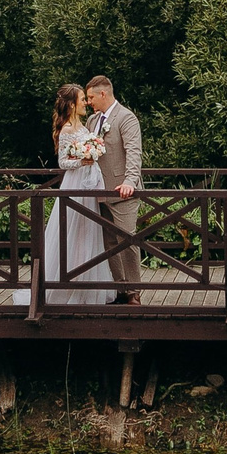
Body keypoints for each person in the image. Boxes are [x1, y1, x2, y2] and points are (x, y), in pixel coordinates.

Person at [13, 83, 117, 306]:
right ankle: (65, 287)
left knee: (88, 232)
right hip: (75, 183)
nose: (85, 103)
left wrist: (93, 150)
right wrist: (84, 159)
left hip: (87, 184)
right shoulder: (68, 129)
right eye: (82, 100)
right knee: (71, 232)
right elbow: (63, 162)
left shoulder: (84, 125)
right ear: (71, 104)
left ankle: (85, 288)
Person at [83, 75, 143, 304]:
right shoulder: (92, 121)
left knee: (128, 241)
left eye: (90, 97)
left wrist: (130, 181)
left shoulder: (126, 118)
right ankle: (120, 289)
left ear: (103, 94)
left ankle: (134, 291)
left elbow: (134, 152)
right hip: (99, 190)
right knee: (109, 243)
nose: (89, 102)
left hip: (122, 191)